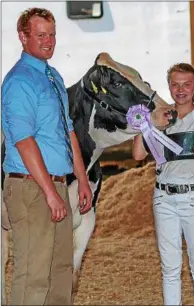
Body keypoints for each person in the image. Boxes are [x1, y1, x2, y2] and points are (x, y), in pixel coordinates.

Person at [1, 7, 92, 305]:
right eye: (41, 35)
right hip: (31, 187)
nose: (49, 41)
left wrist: (82, 179)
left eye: (52, 34)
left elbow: (68, 133)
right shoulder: (19, 82)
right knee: (33, 277)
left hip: (55, 185)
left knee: (61, 271)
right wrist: (50, 193)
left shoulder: (52, 77)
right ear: (23, 37)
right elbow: (24, 142)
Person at [133, 63, 194, 305]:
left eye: (186, 84)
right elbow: (137, 155)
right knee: (170, 267)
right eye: (175, 84)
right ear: (169, 86)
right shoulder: (160, 115)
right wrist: (145, 124)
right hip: (164, 197)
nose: (181, 89)